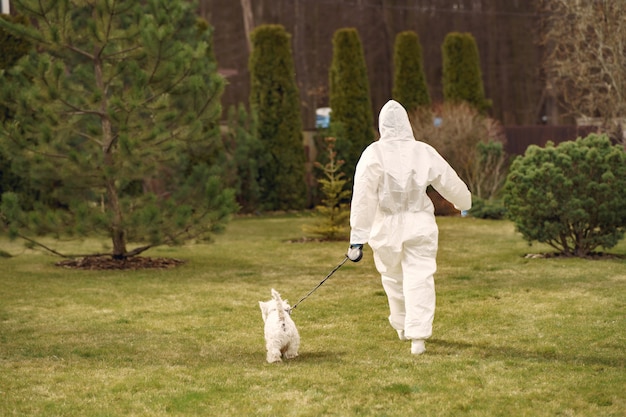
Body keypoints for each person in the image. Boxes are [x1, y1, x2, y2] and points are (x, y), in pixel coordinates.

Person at [346, 99, 471, 355]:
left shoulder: (373, 154)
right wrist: (464, 201)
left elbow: (363, 198)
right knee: (419, 277)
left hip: (387, 226)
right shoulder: (423, 151)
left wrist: (357, 238)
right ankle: (418, 338)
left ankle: (404, 327)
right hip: (419, 223)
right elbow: (448, 179)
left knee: (393, 278)